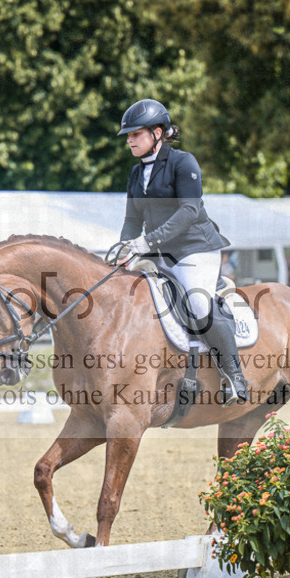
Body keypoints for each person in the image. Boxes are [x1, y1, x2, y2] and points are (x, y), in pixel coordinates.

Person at [114, 98, 248, 405]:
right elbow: (132, 220)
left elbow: (189, 211)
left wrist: (147, 242)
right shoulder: (136, 174)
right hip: (160, 254)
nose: (130, 140)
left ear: (157, 133)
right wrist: (124, 248)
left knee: (199, 303)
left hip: (194, 249)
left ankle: (235, 377)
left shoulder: (183, 162)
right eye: (128, 135)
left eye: (136, 134)